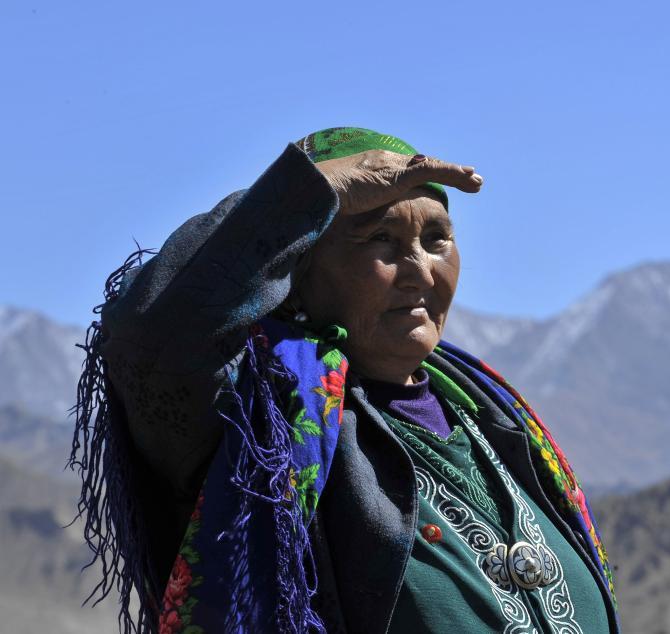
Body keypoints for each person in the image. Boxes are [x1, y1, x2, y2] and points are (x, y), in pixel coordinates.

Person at [71, 127, 619, 633]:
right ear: (297, 269)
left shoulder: (493, 415)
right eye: (380, 238)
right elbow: (152, 335)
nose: (420, 271)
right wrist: (312, 191)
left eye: (436, 239)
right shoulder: (257, 417)